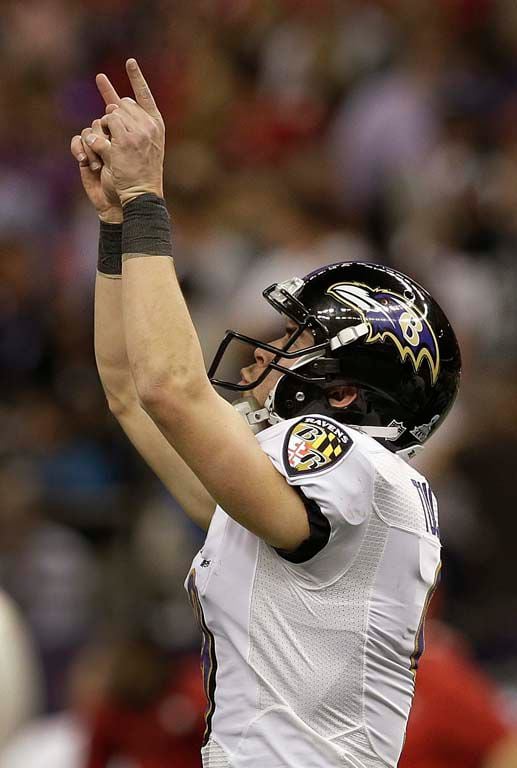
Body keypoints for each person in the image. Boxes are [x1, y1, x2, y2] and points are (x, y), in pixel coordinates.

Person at [70, 58, 461, 768]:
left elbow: (168, 388)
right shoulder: (314, 489)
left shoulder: (351, 462)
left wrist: (148, 195)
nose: (267, 348)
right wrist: (117, 222)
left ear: (344, 392)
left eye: (299, 337)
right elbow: (128, 388)